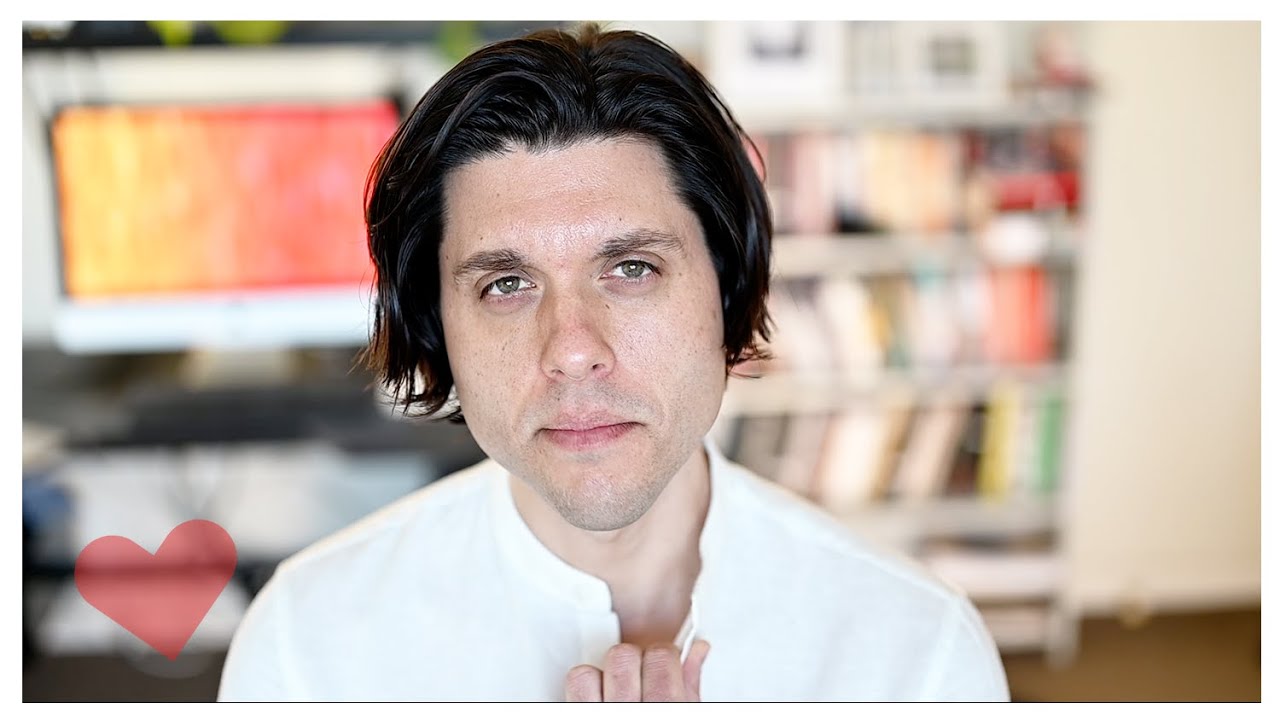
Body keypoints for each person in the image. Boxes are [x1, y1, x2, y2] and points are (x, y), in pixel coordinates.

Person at [217, 22, 1010, 702]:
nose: (572, 350)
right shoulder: (308, 646)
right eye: (506, 284)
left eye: (632, 269)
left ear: (727, 288)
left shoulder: (917, 654)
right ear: (438, 329)